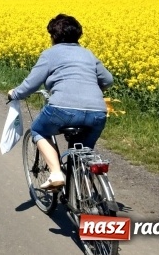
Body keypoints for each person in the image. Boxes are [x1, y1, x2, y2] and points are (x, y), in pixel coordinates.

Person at [8, 14, 113, 190]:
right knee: (83, 154)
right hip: (97, 112)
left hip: (62, 109)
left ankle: (56, 173)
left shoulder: (51, 54)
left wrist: (15, 94)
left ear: (53, 36)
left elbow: (31, 84)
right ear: (78, 35)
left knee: (38, 129)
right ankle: (88, 193)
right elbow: (108, 80)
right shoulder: (88, 54)